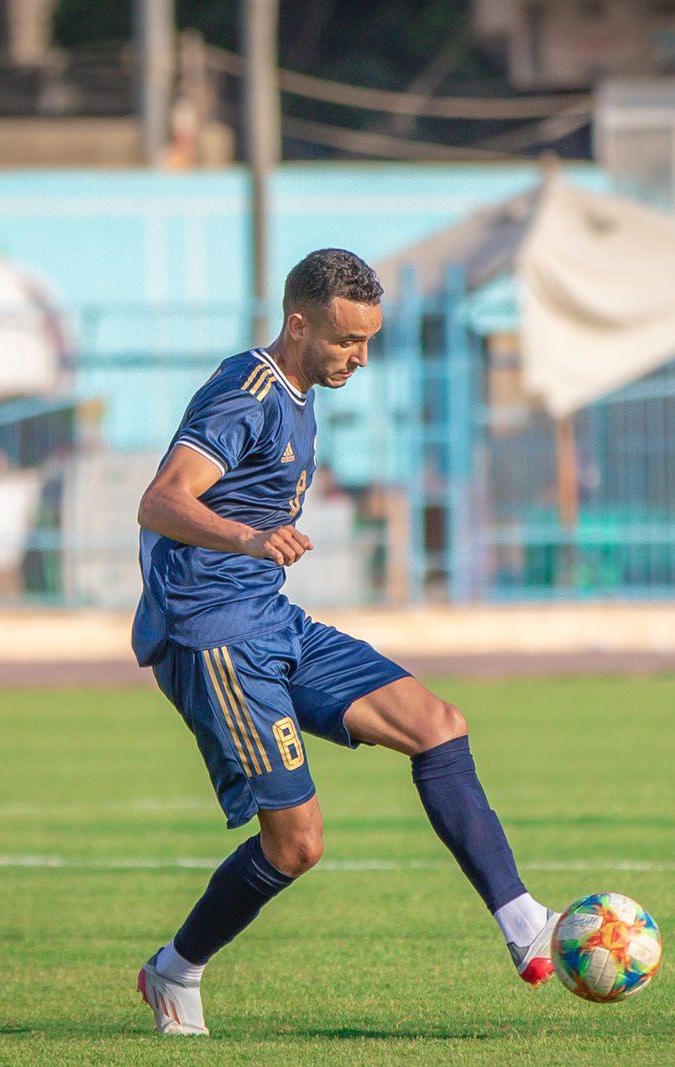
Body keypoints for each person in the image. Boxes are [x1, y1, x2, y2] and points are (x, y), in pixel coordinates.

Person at [132, 248, 557, 1036]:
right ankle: (175, 968)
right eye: (346, 340)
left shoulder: (301, 390)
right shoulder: (247, 393)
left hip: (270, 617)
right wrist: (247, 538)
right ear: (299, 325)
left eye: (369, 341)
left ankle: (523, 919)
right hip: (215, 636)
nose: (360, 357)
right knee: (297, 844)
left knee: (437, 724)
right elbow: (160, 500)